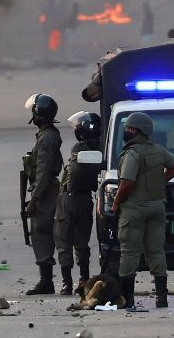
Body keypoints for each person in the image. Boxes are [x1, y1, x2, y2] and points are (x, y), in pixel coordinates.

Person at [110, 112, 174, 309]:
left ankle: (128, 299)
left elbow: (127, 183)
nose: (126, 131)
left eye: (128, 128)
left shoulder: (133, 153)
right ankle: (162, 297)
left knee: (130, 252)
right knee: (156, 251)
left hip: (135, 208)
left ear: (135, 130)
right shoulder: (157, 150)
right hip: (157, 206)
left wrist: (116, 202)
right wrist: (159, 183)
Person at [55, 111, 102, 295]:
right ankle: (84, 280)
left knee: (64, 240)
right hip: (85, 199)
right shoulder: (100, 148)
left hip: (70, 197)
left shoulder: (79, 148)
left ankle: (67, 283)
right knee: (82, 242)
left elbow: (73, 173)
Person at [23, 93, 63, 295]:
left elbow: (44, 171)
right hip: (46, 190)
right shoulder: (48, 135)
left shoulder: (47, 138)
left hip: (46, 193)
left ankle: (46, 281)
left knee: (41, 233)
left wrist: (35, 199)